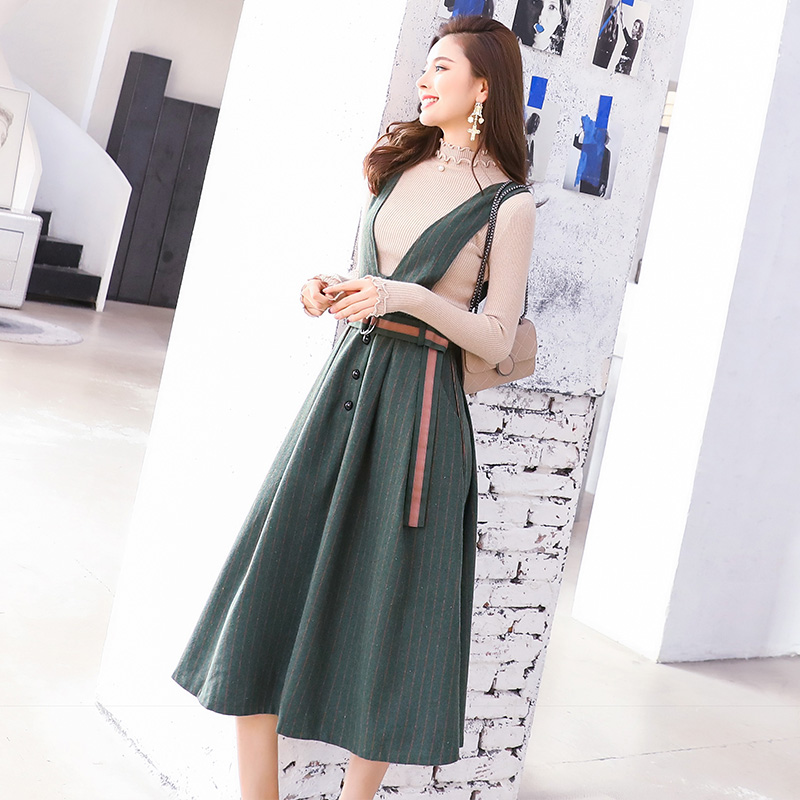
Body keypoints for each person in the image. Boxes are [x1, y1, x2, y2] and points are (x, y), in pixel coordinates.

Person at [171, 14, 536, 800]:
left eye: (442, 68)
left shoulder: (509, 206)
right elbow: (372, 272)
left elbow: (498, 337)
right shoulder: (398, 167)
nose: (424, 80)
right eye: (426, 67)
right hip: (342, 391)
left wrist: (407, 297)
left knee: (392, 619)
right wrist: (326, 289)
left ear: (483, 88)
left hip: (421, 417)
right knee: (269, 582)